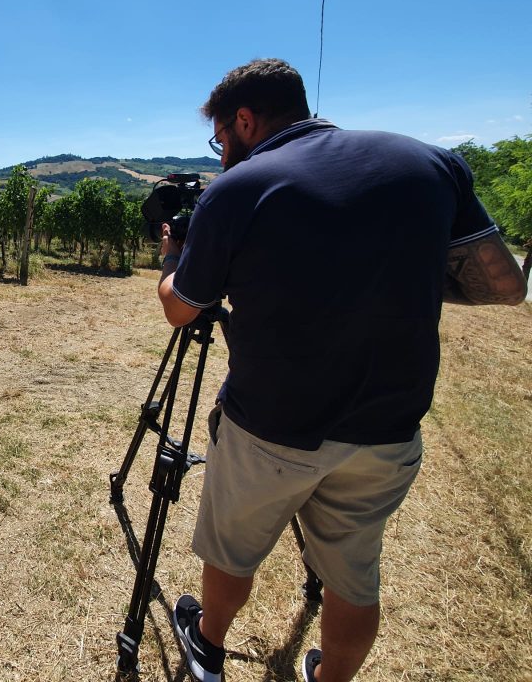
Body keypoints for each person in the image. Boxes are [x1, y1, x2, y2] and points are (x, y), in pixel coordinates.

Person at [157, 58, 527, 682]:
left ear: (244, 120)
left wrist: (172, 259)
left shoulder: (240, 188)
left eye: (220, 139)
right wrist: (389, 274)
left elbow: (180, 310)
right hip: (388, 429)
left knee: (232, 552)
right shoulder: (431, 164)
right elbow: (506, 287)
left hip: (269, 425)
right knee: (354, 576)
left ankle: (209, 645)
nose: (222, 155)